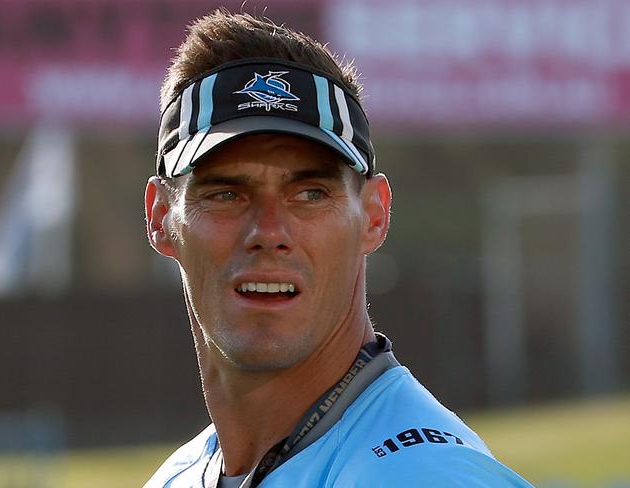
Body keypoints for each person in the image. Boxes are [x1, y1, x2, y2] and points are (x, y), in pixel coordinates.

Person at [143, 9, 533, 488]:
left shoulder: (423, 475)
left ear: (374, 215)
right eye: (226, 193)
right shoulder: (177, 478)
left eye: (310, 193)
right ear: (161, 217)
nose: (269, 230)